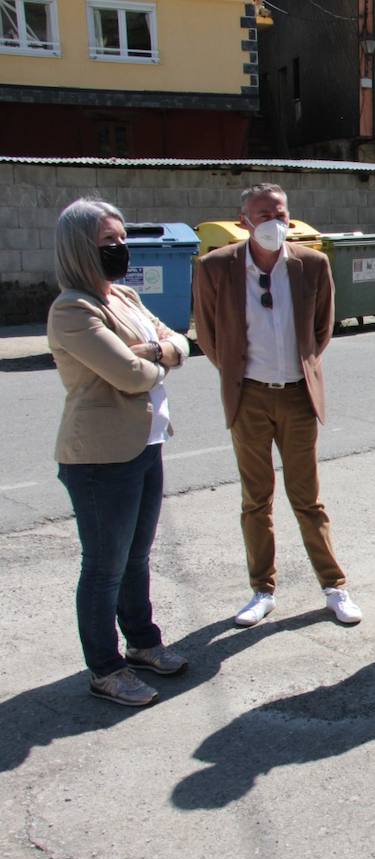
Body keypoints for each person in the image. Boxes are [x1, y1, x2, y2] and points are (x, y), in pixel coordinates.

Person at [193, 183, 363, 627]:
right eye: (263, 213)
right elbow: (210, 337)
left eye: (280, 213)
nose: (274, 221)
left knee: (307, 499)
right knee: (256, 500)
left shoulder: (312, 264)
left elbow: (322, 329)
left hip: (297, 397)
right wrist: (236, 375)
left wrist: (301, 369)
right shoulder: (215, 267)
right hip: (248, 396)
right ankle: (262, 590)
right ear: (243, 219)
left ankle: (334, 587)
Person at [48, 198, 191, 707]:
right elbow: (129, 376)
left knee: (136, 557)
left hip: (146, 442)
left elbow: (181, 340)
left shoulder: (125, 297)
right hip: (99, 457)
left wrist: (155, 350)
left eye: (122, 239)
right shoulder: (73, 309)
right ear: (81, 249)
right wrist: (157, 357)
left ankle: (142, 643)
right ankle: (105, 669)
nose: (121, 249)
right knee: (105, 565)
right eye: (109, 243)